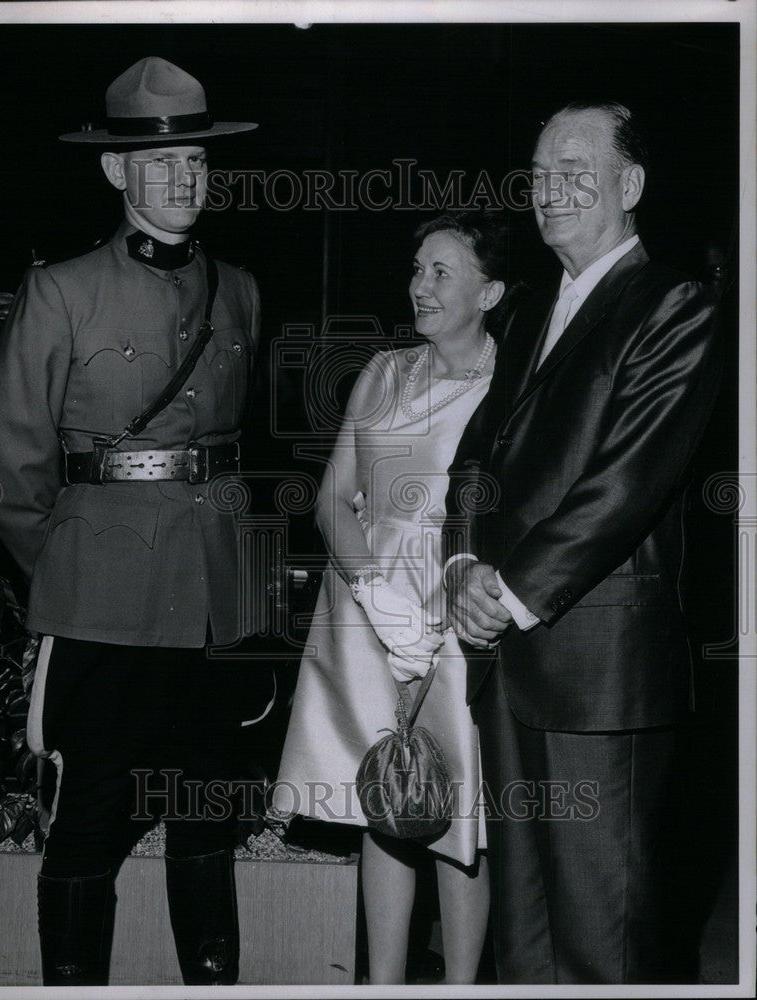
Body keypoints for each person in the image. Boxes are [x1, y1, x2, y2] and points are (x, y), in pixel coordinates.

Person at [0, 57, 268, 986]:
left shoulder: (244, 293)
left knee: (206, 814)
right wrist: (72, 566)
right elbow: (6, 473)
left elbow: (233, 454)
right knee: (91, 819)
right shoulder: (61, 293)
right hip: (102, 608)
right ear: (116, 172)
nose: (184, 179)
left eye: (197, 160)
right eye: (161, 162)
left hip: (219, 607)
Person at [444, 101, 722, 984]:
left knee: (603, 937)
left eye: (573, 169)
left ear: (628, 186)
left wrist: (505, 592)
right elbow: (474, 458)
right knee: (521, 937)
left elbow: (622, 486)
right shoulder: (528, 315)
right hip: (509, 667)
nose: (548, 189)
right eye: (536, 172)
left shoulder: (675, 304)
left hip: (600, 673)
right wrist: (458, 566)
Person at [275, 211, 512, 984]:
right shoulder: (383, 371)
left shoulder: (513, 386)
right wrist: (374, 592)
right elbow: (332, 497)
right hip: (367, 607)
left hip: (454, 611)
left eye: (441, 272)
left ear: (490, 291)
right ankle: (380, 985)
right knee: (384, 800)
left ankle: (460, 987)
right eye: (417, 269)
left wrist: (451, 607)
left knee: (453, 809)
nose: (420, 285)